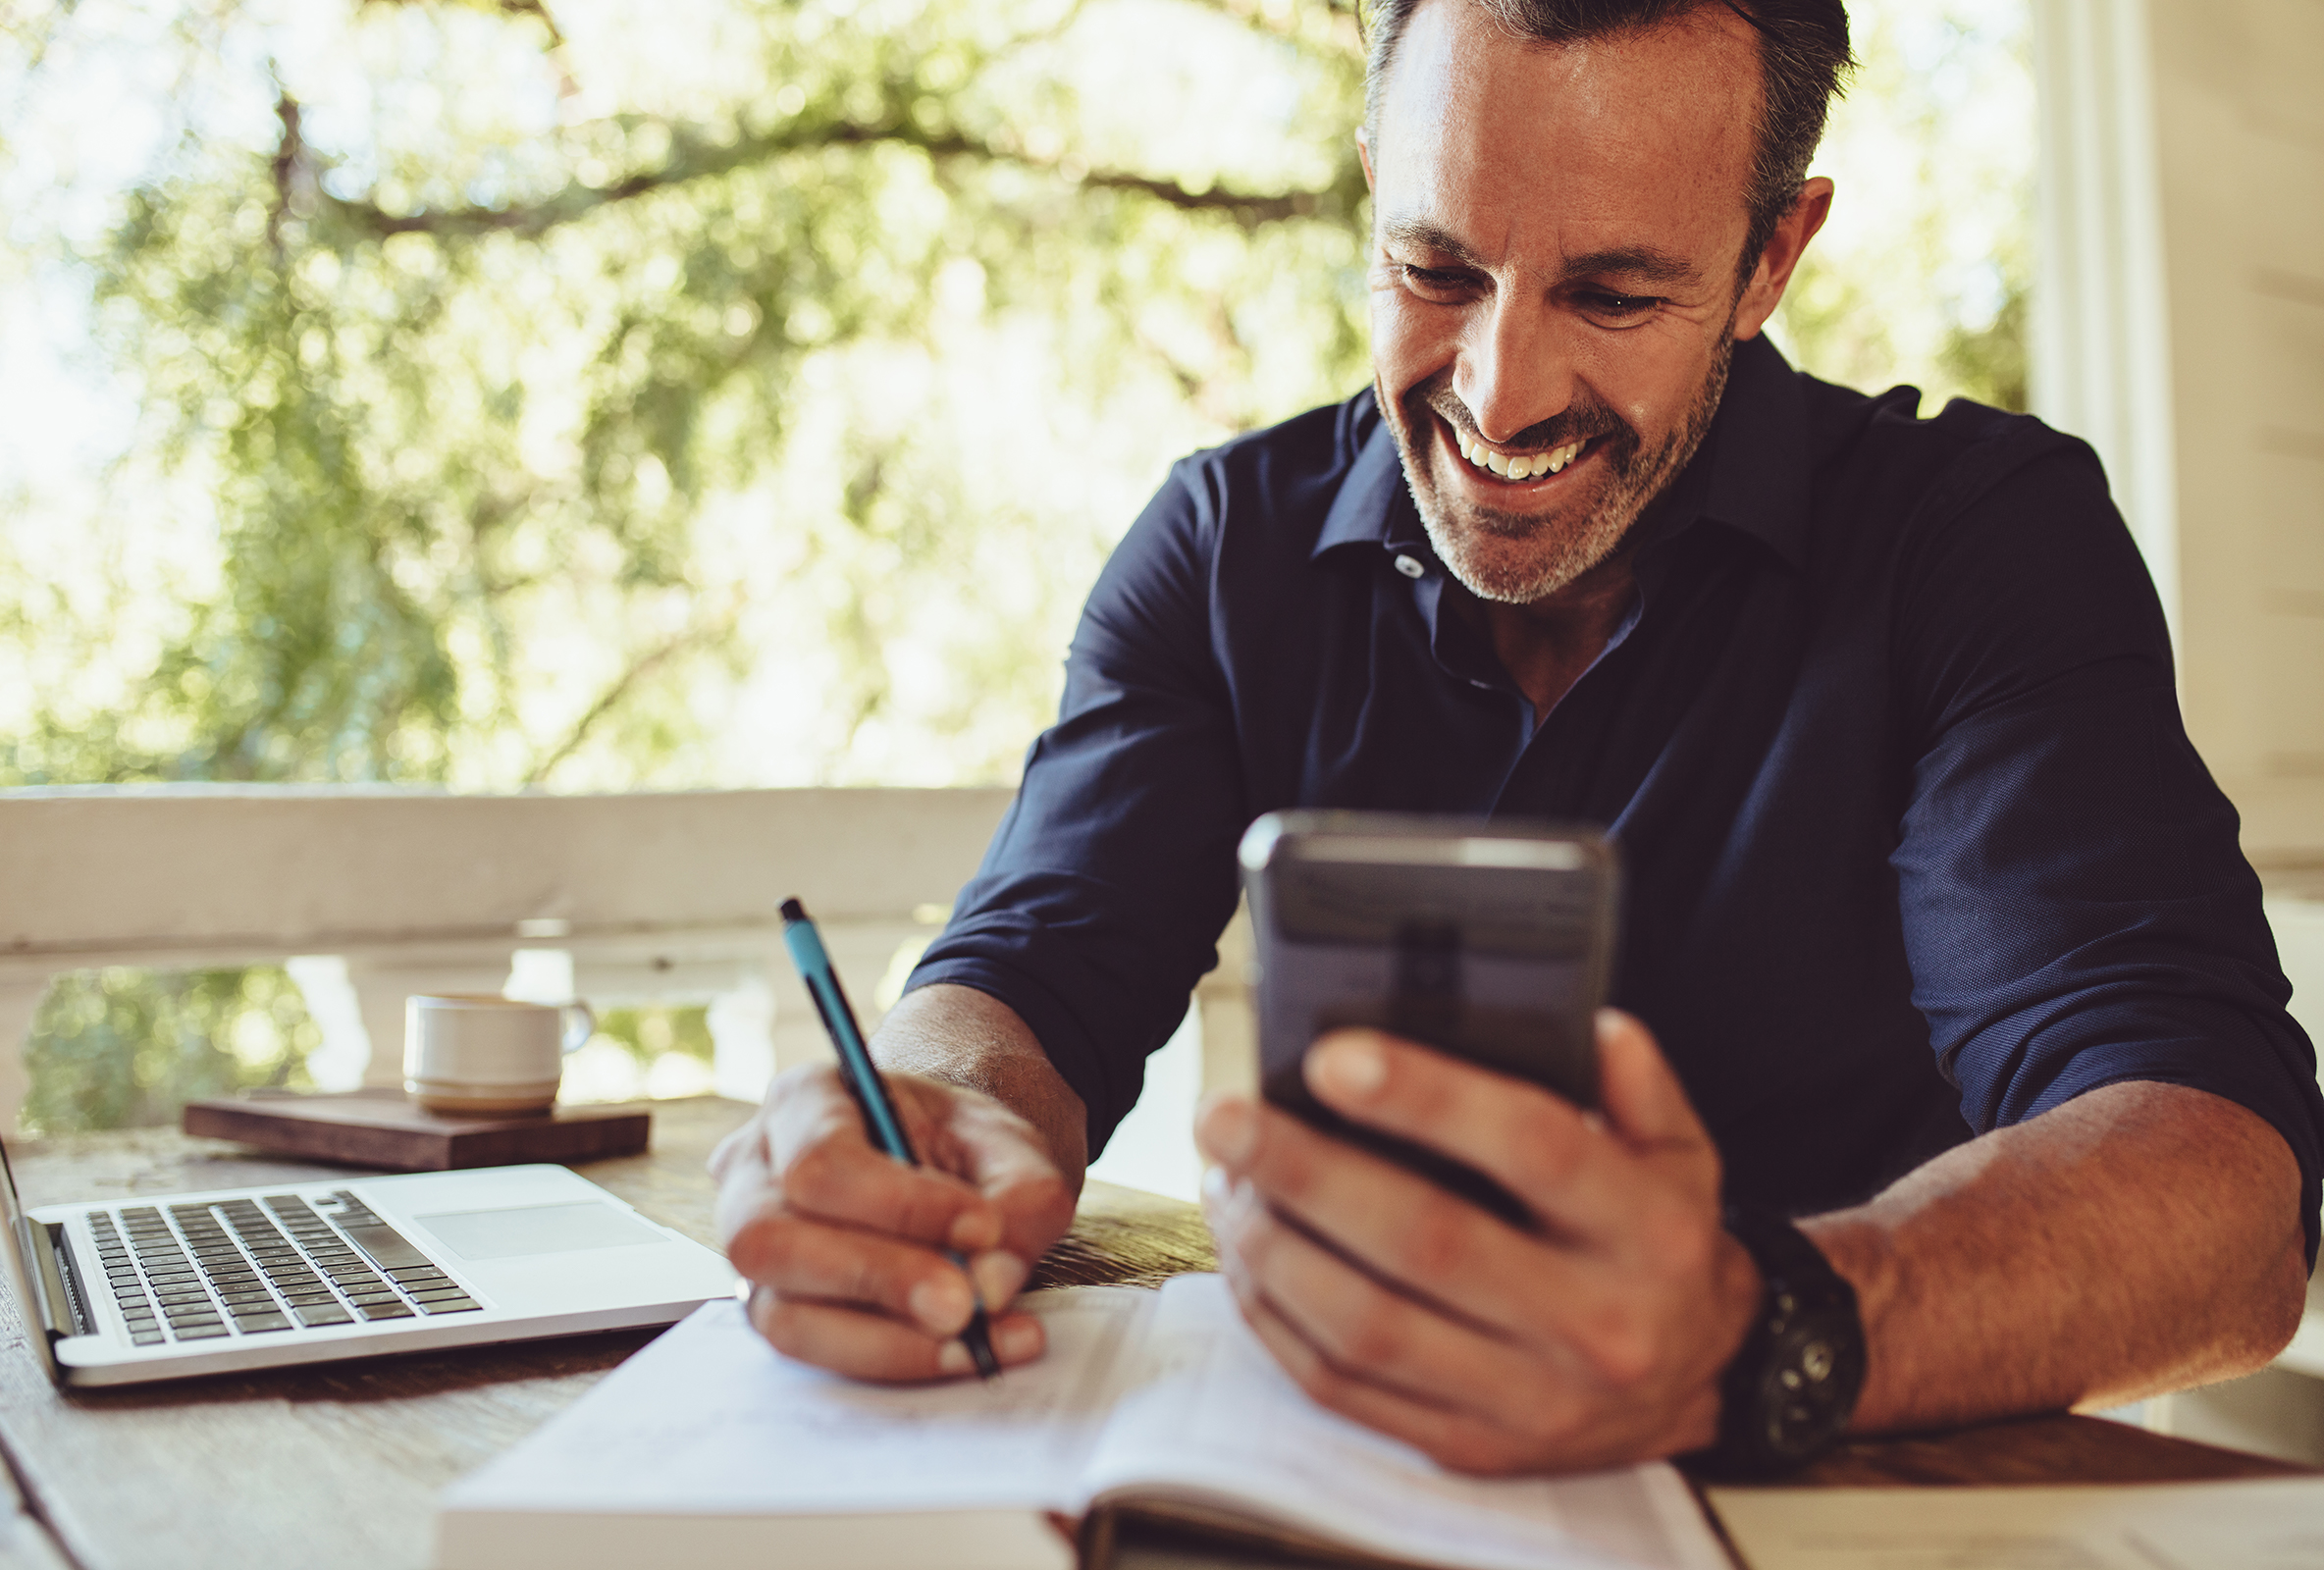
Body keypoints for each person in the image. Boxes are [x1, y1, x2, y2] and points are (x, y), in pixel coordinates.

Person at [711, 0, 2323, 1475]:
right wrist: (927, 1123)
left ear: (1773, 257)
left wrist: (1748, 1331)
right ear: (1369, 186)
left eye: (1616, 293)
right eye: (1435, 270)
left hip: (1851, 1499)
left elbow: (2225, 1195)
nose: (1498, 388)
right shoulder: (1221, 552)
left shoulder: (1975, 543)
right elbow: (1029, 976)